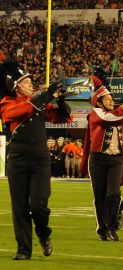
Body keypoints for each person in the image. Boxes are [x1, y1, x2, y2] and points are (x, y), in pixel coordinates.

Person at [0, 60, 72, 260]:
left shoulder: (38, 102)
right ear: (16, 86)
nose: (31, 83)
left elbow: (63, 118)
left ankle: (43, 233)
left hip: (40, 158)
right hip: (18, 159)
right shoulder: (7, 103)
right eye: (26, 81)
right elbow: (20, 112)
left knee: (38, 205)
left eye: (31, 80)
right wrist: (45, 95)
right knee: (19, 206)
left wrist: (61, 101)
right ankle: (24, 249)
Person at [80, 74, 123, 241]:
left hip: (116, 159)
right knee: (99, 196)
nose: (111, 101)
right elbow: (110, 118)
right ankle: (102, 229)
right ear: (99, 102)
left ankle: (112, 226)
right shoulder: (96, 113)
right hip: (97, 160)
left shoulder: (119, 114)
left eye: (111, 98)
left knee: (113, 193)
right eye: (107, 99)